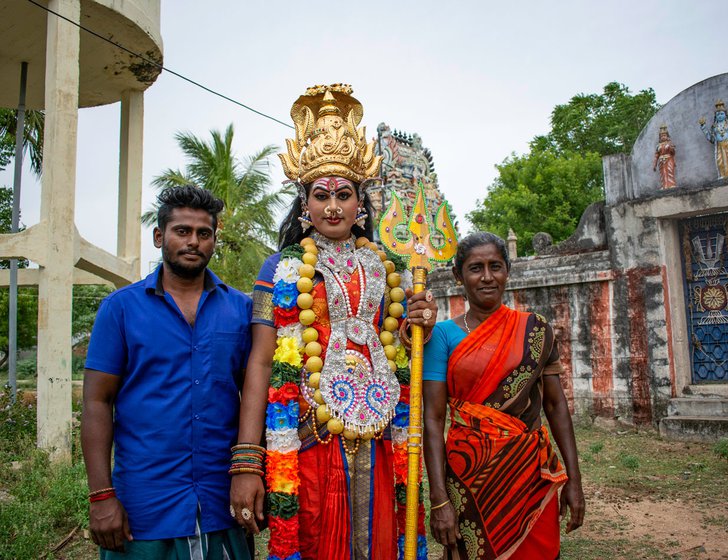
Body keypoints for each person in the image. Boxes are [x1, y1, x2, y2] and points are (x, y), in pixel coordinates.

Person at [230, 84, 438, 560]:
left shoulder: (387, 267)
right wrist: (248, 459)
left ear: (360, 203)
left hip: (383, 431)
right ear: (304, 205)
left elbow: (404, 341)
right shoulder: (280, 270)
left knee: (383, 538)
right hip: (309, 434)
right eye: (320, 195)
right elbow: (262, 363)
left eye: (343, 194)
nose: (332, 205)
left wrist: (418, 320)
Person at [81, 185, 253, 557]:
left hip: (220, 504)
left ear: (213, 240)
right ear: (160, 236)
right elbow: (96, 401)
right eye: (182, 231)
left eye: (203, 234)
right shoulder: (120, 309)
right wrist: (100, 496)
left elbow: (255, 396)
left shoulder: (241, 310)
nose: (193, 241)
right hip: (141, 511)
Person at [423, 232, 585, 560]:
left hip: (530, 475)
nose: (486, 277)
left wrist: (574, 480)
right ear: (458, 275)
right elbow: (433, 418)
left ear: (507, 270)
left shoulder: (535, 330)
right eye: (475, 268)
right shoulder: (441, 336)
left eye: (495, 266)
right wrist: (439, 499)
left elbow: (555, 405)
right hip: (469, 478)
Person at [699, 100, 728, 179]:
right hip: (719, 145)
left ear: (725, 115)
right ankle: (722, 175)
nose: (719, 116)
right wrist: (704, 128)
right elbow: (711, 139)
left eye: (721, 114)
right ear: (715, 116)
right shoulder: (714, 127)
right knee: (720, 160)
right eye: (718, 114)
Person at [653, 124, 677, 189]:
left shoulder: (670, 144)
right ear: (660, 137)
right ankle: (664, 186)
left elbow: (673, 152)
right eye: (661, 136)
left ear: (667, 136)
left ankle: (671, 184)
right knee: (662, 174)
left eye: (664, 135)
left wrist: (670, 148)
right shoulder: (658, 146)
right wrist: (654, 165)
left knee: (669, 171)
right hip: (661, 161)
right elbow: (656, 155)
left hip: (669, 159)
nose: (663, 137)